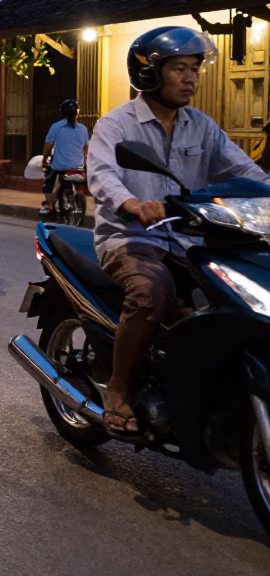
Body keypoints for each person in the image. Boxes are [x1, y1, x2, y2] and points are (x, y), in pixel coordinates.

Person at [88, 27, 267, 436]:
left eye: (195, 70)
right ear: (150, 74)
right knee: (153, 293)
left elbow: (245, 172)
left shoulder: (202, 127)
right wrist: (132, 203)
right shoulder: (117, 126)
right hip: (132, 239)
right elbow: (101, 175)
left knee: (236, 298)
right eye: (180, 69)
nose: (191, 79)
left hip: (190, 242)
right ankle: (118, 389)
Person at [39, 100, 90, 215]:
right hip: (78, 166)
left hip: (59, 166)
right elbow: (86, 149)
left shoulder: (56, 127)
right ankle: (78, 197)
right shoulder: (83, 129)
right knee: (81, 184)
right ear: (77, 112)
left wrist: (44, 160)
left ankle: (49, 205)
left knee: (48, 179)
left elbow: (48, 147)